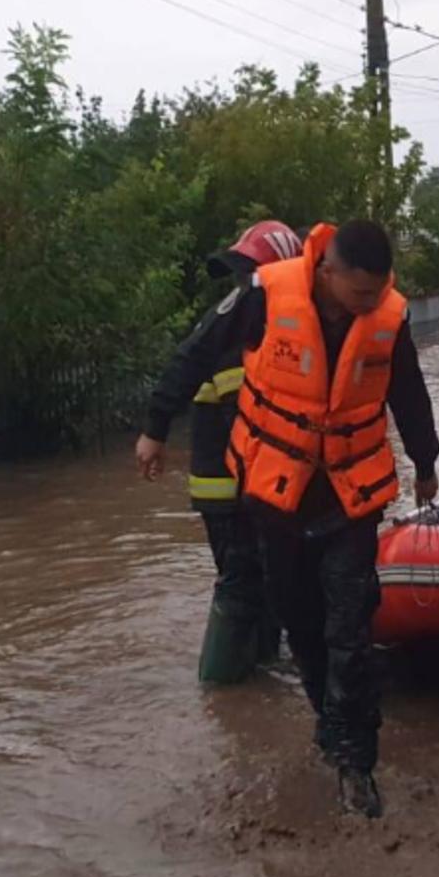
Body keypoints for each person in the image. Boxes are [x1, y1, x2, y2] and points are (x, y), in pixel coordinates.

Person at [136, 220, 439, 818]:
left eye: (376, 294)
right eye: (358, 295)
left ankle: (357, 765)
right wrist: (154, 427)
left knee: (350, 629)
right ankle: (330, 724)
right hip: (276, 494)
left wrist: (426, 461)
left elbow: (408, 390)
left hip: (350, 498)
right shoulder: (262, 296)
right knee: (299, 620)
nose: (367, 306)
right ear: (327, 272)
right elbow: (194, 353)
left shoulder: (387, 316)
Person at [166, 221, 303, 683]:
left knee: (261, 581)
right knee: (242, 581)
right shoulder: (242, 335)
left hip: (241, 485)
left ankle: (258, 670)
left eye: (250, 274)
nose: (244, 287)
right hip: (233, 488)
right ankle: (221, 686)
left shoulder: (242, 330)